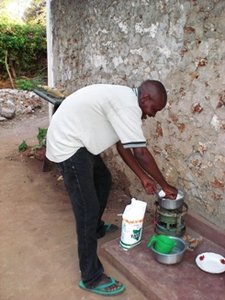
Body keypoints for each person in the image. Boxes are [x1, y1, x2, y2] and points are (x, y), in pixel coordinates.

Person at [46, 80, 177, 296]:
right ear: (145, 99)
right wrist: (165, 185)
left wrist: (143, 178)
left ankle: (96, 229)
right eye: (154, 109)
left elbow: (122, 146)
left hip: (79, 143)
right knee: (86, 211)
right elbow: (140, 153)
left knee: (103, 179)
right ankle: (91, 276)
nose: (153, 115)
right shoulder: (127, 106)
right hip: (68, 147)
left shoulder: (126, 102)